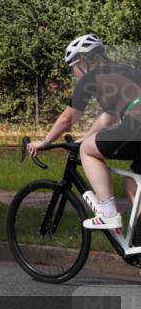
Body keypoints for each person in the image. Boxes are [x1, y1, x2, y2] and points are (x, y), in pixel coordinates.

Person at [27, 34, 141, 231]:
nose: (73, 74)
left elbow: (68, 118)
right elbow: (108, 117)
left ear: (82, 61)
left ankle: (108, 215)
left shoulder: (91, 77)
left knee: (87, 151)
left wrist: (45, 141)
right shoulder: (123, 71)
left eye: (72, 67)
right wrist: (86, 138)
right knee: (133, 185)